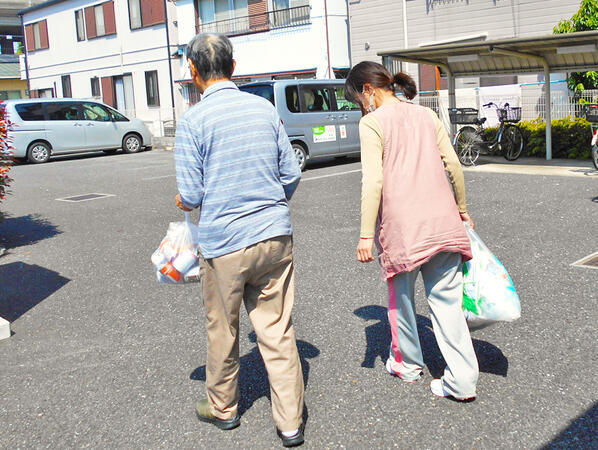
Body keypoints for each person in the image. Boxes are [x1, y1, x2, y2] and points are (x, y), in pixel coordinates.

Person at [174, 33, 305, 447]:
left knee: (223, 330)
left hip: (224, 243)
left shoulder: (193, 121)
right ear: (234, 67)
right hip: (273, 235)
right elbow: (291, 174)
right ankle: (289, 424)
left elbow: (192, 195)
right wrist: (267, 205)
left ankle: (223, 409)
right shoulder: (263, 109)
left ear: (193, 72)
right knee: (278, 330)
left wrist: (183, 199)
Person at [345, 61, 480, 401]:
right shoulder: (426, 115)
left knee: (401, 301)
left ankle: (407, 364)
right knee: (447, 304)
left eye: (358, 100)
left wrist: (365, 234)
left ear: (367, 90)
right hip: (444, 222)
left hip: (403, 229)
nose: (361, 107)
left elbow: (372, 181)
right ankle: (462, 382)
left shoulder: (372, 123)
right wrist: (462, 210)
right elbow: (453, 164)